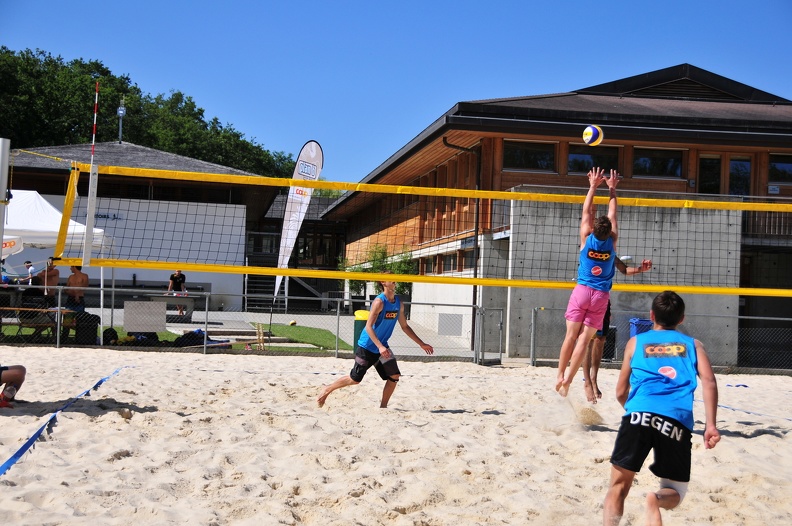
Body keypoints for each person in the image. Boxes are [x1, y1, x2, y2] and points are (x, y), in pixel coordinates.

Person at [603, 290, 720, 525]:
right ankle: (654, 500)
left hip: (638, 415)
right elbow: (709, 381)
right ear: (681, 319)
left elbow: (619, 392)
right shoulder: (693, 345)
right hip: (676, 419)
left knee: (617, 486)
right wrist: (711, 425)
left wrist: (637, 413)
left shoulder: (636, 342)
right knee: (675, 492)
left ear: (651, 315)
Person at [317, 275, 434, 408]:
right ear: (383, 282)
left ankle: (383, 407)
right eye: (391, 277)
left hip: (382, 347)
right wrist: (379, 346)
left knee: (394, 376)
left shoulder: (398, 303)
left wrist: (421, 344)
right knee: (355, 379)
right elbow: (368, 326)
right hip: (367, 346)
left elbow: (405, 326)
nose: (394, 279)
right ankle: (328, 388)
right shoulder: (379, 302)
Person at [556, 167, 619, 397]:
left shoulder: (586, 236)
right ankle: (570, 381)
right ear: (609, 231)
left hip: (582, 290)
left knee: (570, 337)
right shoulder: (612, 243)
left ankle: (560, 375)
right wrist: (612, 190)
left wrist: (593, 186)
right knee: (585, 339)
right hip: (600, 295)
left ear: (594, 229)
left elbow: (586, 212)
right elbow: (613, 215)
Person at [61, 265, 89, 340]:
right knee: (67, 318)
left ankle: (79, 337)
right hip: (70, 298)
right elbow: (67, 288)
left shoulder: (84, 276)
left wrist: (77, 294)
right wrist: (71, 292)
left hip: (79, 299)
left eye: (71, 267)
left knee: (80, 318)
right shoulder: (71, 277)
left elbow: (84, 286)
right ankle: (64, 337)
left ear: (75, 267)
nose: (70, 268)